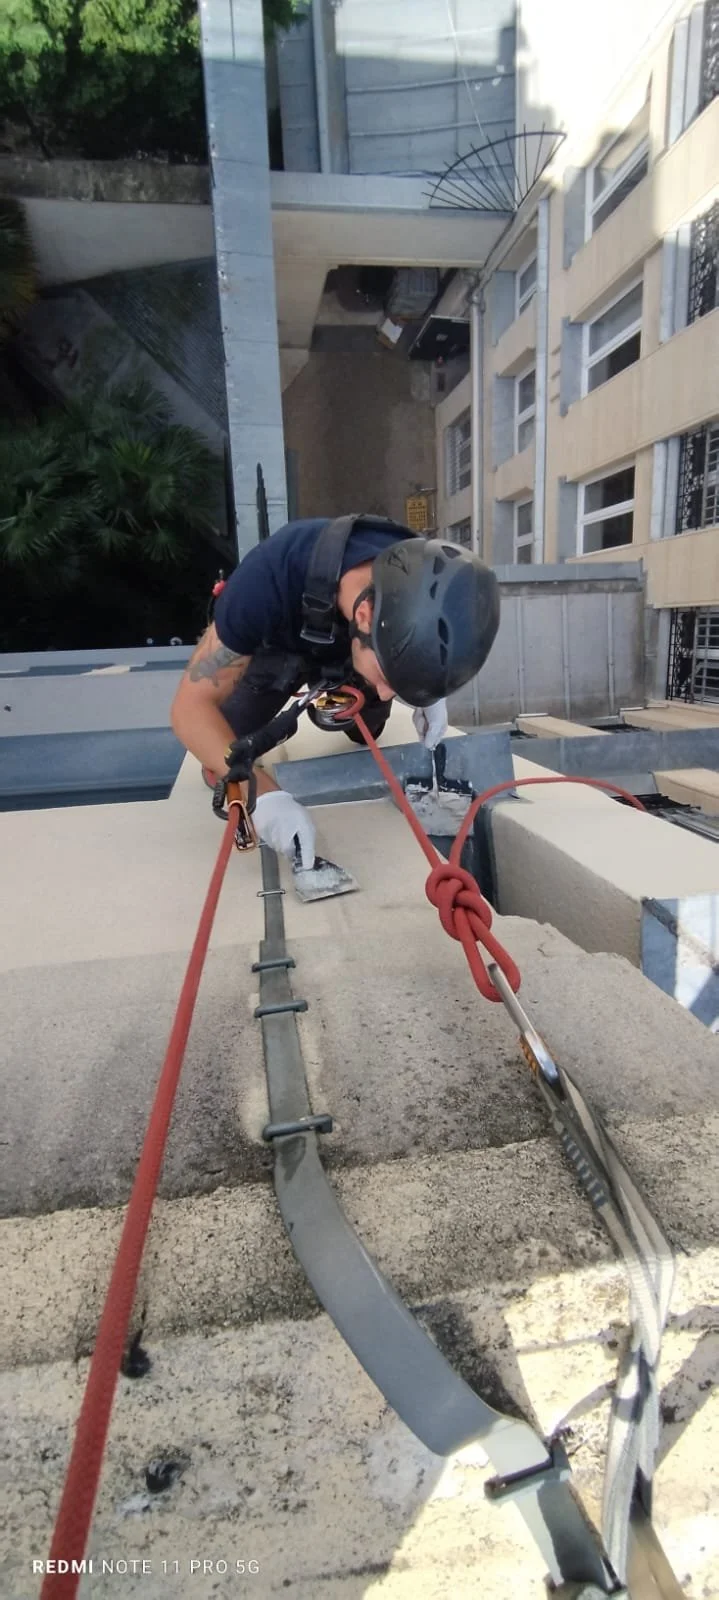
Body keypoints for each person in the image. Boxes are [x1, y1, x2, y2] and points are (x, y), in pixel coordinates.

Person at [170, 515, 500, 867]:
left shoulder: (417, 574)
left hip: (358, 647)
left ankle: (357, 689)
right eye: (389, 678)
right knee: (225, 740)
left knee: (365, 729)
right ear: (364, 613)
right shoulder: (264, 583)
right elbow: (189, 710)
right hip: (279, 645)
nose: (389, 695)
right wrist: (264, 796)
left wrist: (427, 686)